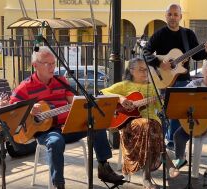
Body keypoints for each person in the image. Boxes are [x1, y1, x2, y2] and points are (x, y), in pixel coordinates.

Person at [9, 46, 124, 189]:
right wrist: (29, 110)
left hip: (67, 126)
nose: (52, 67)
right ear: (35, 65)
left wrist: (83, 107)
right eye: (47, 64)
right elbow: (12, 110)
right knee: (55, 142)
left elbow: (73, 103)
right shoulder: (25, 87)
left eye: (53, 63)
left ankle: (104, 167)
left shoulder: (61, 80)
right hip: (45, 131)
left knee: (95, 124)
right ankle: (59, 184)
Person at [143, 3, 207, 149]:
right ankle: (158, 145)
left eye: (176, 14)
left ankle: (173, 143)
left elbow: (196, 56)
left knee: (179, 112)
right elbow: (145, 52)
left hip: (183, 80)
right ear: (166, 16)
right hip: (163, 80)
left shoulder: (188, 34)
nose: (173, 17)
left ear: (180, 17)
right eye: (170, 14)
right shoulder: (159, 34)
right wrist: (159, 62)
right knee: (163, 113)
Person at [101, 58, 165, 189]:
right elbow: (103, 92)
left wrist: (160, 98)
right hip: (131, 123)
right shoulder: (125, 85)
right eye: (141, 69)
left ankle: (147, 176)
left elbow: (160, 106)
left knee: (151, 125)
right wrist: (121, 98)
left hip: (151, 121)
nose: (144, 72)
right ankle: (147, 177)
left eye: (146, 69)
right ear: (131, 70)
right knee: (146, 125)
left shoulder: (152, 86)